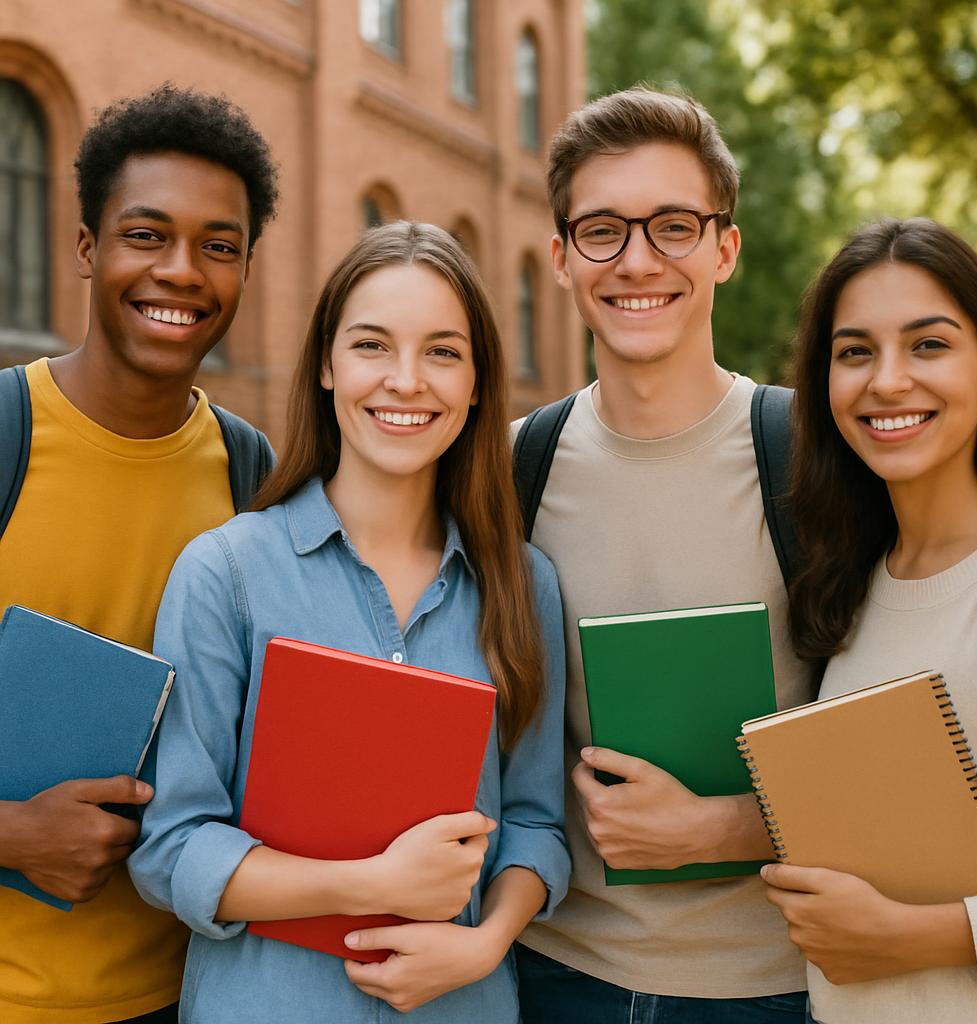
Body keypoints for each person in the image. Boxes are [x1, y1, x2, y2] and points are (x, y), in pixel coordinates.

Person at [128, 220, 569, 1023]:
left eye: (442, 351)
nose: (406, 381)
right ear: (327, 366)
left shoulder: (522, 583)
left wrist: (488, 939)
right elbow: (173, 847)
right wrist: (370, 885)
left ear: (476, 385)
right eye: (372, 346)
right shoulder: (226, 575)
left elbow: (536, 822)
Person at [513, 86, 817, 1023]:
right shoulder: (509, 466)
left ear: (726, 246)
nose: (638, 259)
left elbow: (929, 741)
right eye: (602, 229)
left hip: (775, 988)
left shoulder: (817, 459)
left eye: (673, 225)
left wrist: (725, 827)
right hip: (552, 975)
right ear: (561, 257)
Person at [0, 85, 277, 1023]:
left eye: (219, 246)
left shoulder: (253, 474)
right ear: (87, 247)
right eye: (147, 235)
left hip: (188, 993)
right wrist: (8, 835)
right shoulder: (4, 437)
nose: (183, 272)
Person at [762, 216, 977, 1023]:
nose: (887, 381)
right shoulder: (843, 584)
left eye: (929, 345)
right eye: (855, 352)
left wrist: (919, 936)